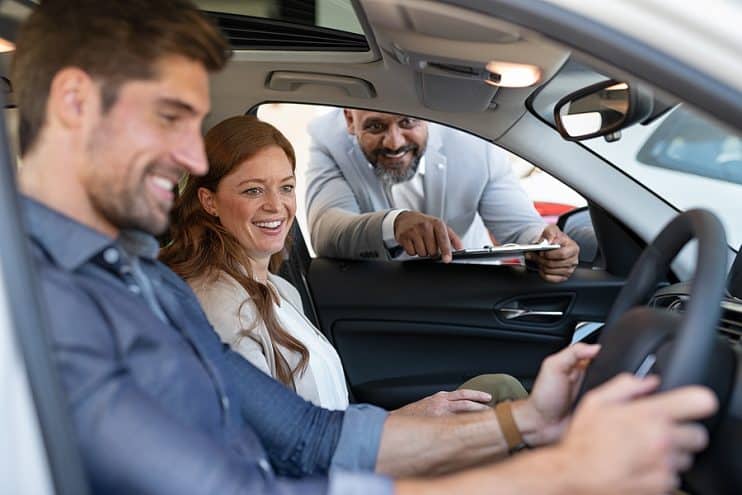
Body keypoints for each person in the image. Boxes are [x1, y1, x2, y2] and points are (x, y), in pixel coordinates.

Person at [14, 1, 717, 494]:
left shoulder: (142, 275)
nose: (189, 155)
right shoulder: (40, 304)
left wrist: (529, 418)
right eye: (170, 118)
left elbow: (306, 438)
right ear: (76, 102)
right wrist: (563, 473)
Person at [160, 115, 527, 414]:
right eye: (253, 190)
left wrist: (413, 416)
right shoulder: (218, 307)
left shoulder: (280, 289)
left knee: (499, 391)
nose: (276, 206)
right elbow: (276, 445)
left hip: (342, 453)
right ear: (209, 201)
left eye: (286, 187)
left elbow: (325, 417)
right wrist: (398, 435)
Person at [306, 109, 581, 282]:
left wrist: (546, 247)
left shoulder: (475, 141)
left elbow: (522, 228)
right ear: (349, 120)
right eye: (376, 127)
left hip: (466, 286)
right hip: (382, 296)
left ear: (426, 115)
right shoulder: (328, 140)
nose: (394, 143)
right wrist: (394, 224)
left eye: (408, 121)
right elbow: (325, 230)